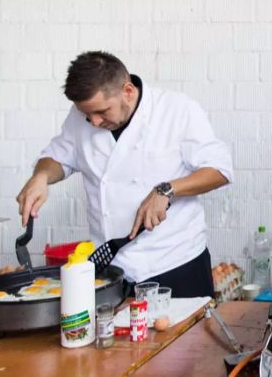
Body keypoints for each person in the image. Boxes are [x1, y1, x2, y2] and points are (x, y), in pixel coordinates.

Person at [16, 51, 233, 297]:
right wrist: (41, 177)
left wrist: (168, 189)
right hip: (113, 270)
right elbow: (58, 157)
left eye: (102, 112)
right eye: (88, 115)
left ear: (127, 91)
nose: (94, 122)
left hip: (176, 264)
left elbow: (220, 169)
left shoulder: (177, 110)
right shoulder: (82, 117)